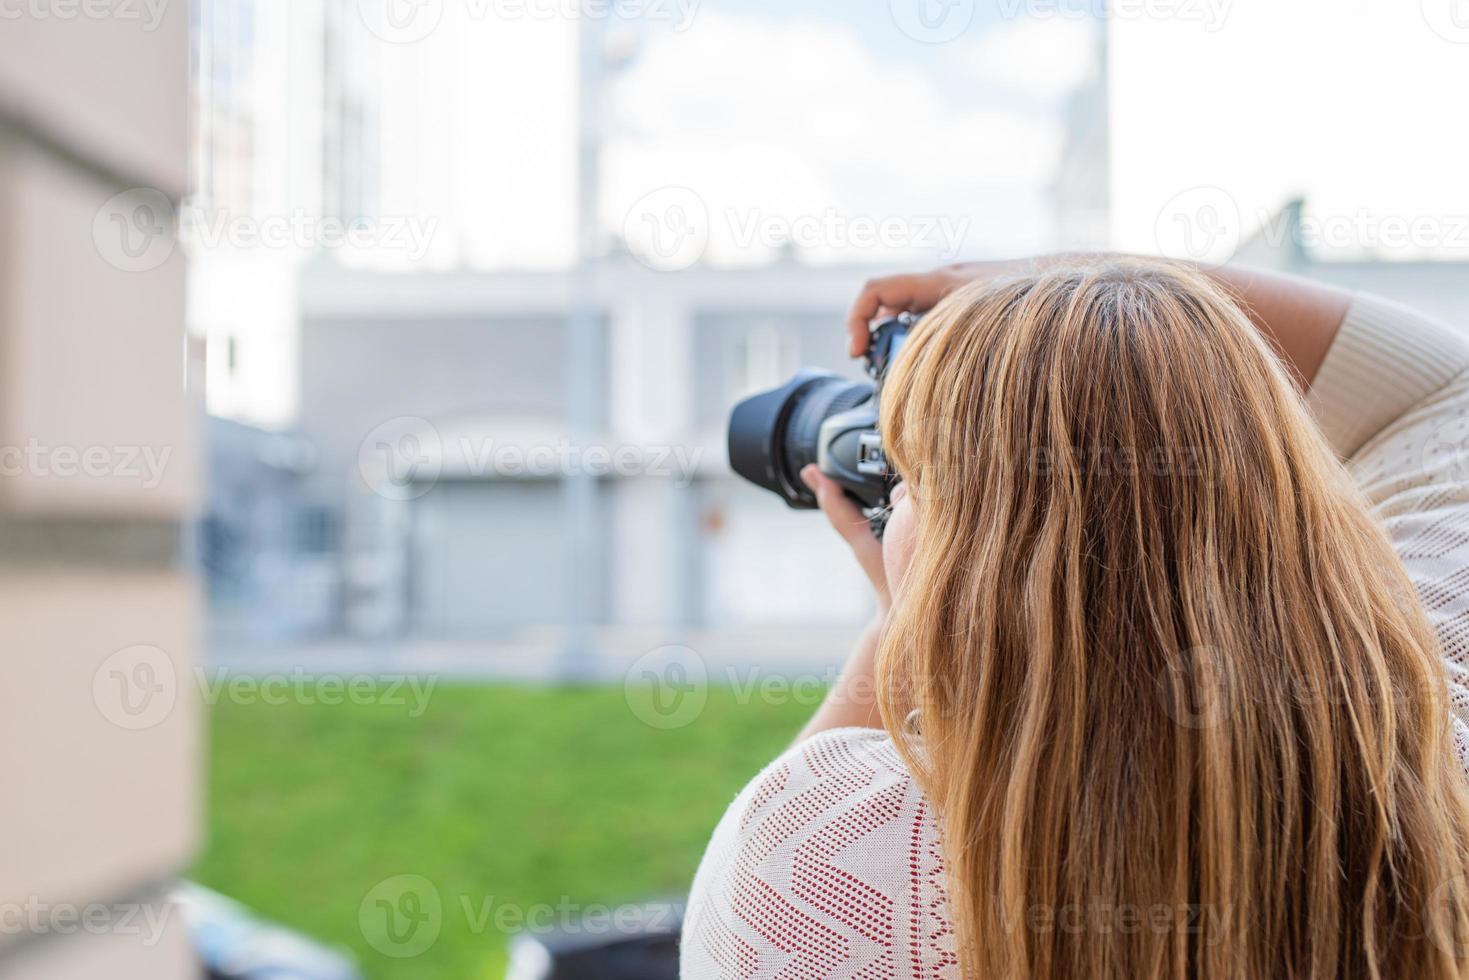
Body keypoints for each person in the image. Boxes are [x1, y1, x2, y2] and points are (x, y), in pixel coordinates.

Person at [681, 255, 1469, 979]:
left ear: (962, 556)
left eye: (906, 482)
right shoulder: (1437, 734)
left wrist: (900, 627)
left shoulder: (817, 859)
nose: (891, 501)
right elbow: (1446, 385)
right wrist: (1042, 296)